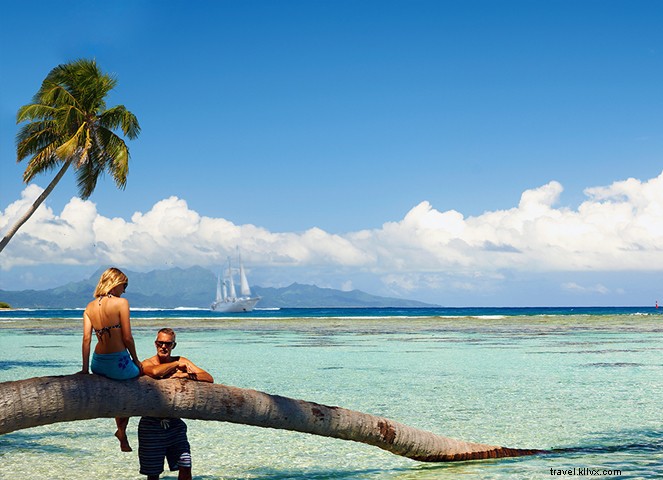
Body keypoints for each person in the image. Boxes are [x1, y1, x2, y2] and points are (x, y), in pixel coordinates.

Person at [80, 267, 142, 452]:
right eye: (124, 285)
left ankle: (120, 431)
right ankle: (121, 430)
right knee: (137, 381)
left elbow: (86, 339)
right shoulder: (121, 303)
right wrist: (136, 360)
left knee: (119, 387)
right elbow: (128, 338)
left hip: (97, 363)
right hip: (119, 363)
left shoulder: (89, 307)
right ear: (115, 283)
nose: (125, 290)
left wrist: (85, 369)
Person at [139, 328, 213, 480]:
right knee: (153, 475)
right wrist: (175, 365)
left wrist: (184, 374)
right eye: (160, 343)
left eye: (168, 344)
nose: (164, 347)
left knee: (185, 465)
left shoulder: (181, 361)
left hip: (175, 423)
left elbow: (208, 377)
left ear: (174, 345)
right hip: (151, 425)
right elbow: (154, 373)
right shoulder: (147, 363)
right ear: (155, 343)